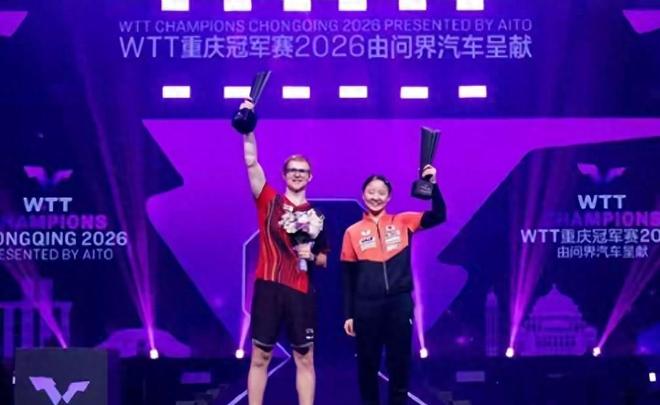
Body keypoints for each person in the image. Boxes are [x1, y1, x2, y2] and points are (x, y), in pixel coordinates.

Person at [237, 99, 329, 405]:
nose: (297, 174)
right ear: (284, 174)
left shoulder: (317, 216)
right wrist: (248, 127)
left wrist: (310, 256)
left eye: (303, 171)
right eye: (292, 170)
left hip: (300, 290)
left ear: (311, 176)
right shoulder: (269, 200)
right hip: (268, 286)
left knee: (305, 358)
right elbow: (251, 162)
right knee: (260, 356)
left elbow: (324, 259)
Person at [340, 165, 446, 405]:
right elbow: (347, 277)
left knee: (399, 364)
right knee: (367, 365)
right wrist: (349, 314)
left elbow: (439, 215)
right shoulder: (352, 232)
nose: (375, 197)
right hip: (366, 307)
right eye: (371, 192)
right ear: (363, 195)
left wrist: (433, 185)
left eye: (381, 193)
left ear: (389, 197)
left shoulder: (403, 221)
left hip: (399, 305)